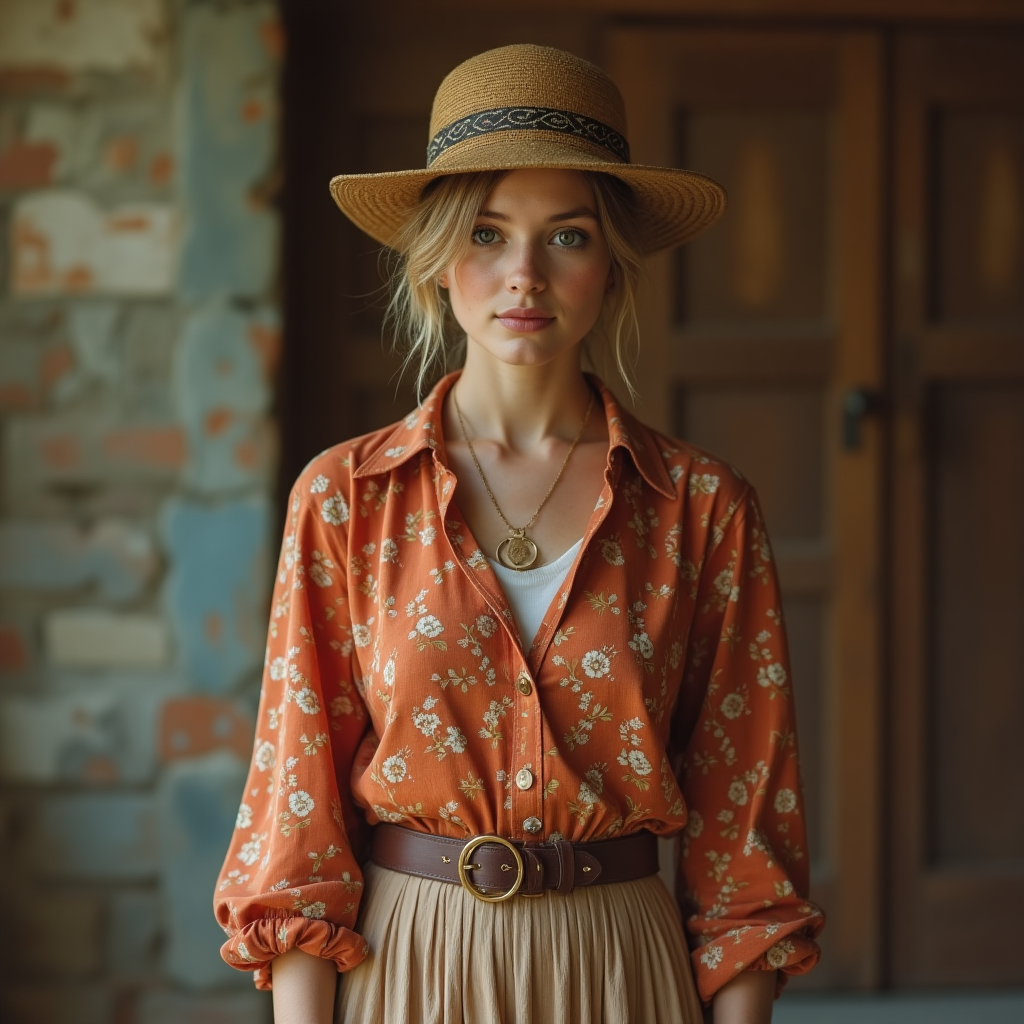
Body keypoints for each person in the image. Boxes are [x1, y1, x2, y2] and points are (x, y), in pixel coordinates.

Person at [213, 43, 824, 1024]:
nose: (523, 275)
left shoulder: (700, 506)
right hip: (411, 960)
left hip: (620, 966)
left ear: (611, 265)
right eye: (487, 232)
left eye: (567, 236)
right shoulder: (346, 498)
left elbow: (747, 834)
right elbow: (297, 811)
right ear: (436, 257)